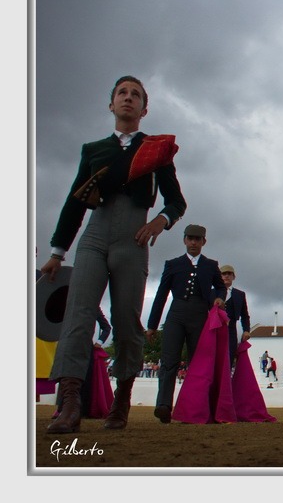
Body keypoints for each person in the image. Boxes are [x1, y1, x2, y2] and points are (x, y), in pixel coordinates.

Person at [43, 75, 187, 434]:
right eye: (122, 93)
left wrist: (160, 222)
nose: (128, 98)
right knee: (77, 316)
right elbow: (75, 204)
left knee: (126, 322)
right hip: (94, 236)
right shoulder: (93, 150)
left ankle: (121, 397)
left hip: (133, 240)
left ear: (144, 108)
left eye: (135, 95)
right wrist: (57, 252)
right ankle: (70, 403)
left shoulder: (157, 150)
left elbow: (177, 202)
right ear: (111, 104)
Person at [145, 224, 226, 424]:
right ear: (184, 240)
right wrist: (152, 324)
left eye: (197, 239)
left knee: (197, 363)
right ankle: (164, 405)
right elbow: (161, 295)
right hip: (176, 314)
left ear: (203, 242)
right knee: (169, 360)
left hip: (200, 315)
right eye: (190, 238)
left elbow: (221, 287)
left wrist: (219, 298)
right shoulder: (173, 264)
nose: (193, 242)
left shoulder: (210, 265)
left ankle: (195, 408)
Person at [220, 264, 251, 366]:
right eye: (224, 274)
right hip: (215, 329)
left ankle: (226, 381)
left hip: (231, 330)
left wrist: (246, 330)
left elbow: (245, 315)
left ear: (233, 277)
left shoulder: (239, 295)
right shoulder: (212, 292)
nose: (226, 276)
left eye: (229, 274)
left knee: (229, 358)